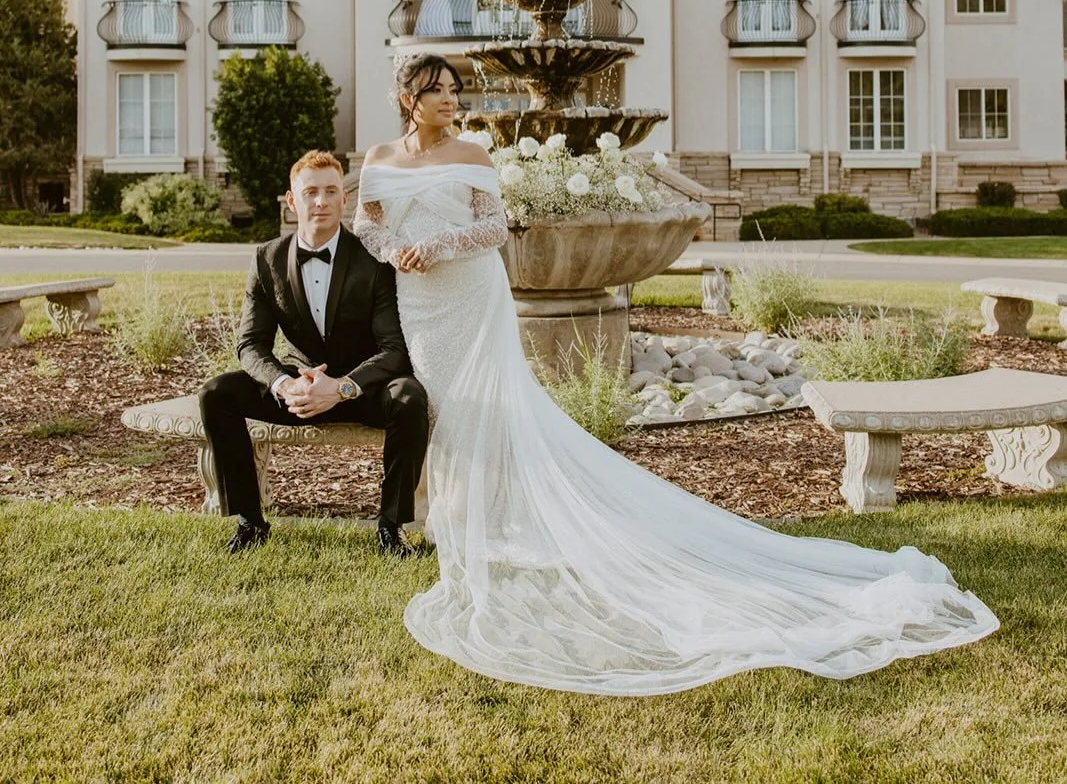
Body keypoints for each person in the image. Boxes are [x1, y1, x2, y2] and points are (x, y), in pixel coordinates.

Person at [352, 53, 999, 696]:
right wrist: (394, 251)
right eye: (435, 89)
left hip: (467, 292)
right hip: (418, 300)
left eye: (454, 88)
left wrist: (435, 245)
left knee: (482, 400)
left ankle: (484, 520)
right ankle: (442, 514)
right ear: (408, 98)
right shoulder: (381, 157)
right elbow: (367, 224)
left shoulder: (471, 154)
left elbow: (494, 227)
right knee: (438, 402)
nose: (449, 97)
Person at [198, 150, 428, 556]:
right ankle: (250, 521)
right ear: (292, 200)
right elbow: (250, 344)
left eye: (330, 192)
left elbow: (394, 349)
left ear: (344, 200)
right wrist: (284, 384)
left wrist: (342, 387)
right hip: (299, 391)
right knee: (217, 393)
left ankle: (390, 527)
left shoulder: (374, 261)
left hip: (360, 391)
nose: (320, 202)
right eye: (310, 193)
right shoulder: (266, 259)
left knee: (410, 398)